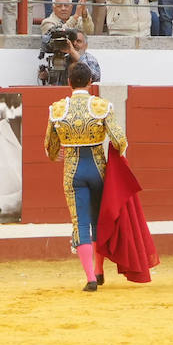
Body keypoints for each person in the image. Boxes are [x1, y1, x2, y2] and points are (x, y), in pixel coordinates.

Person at [45, 61, 126, 291]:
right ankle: (100, 271)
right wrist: (120, 160)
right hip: (98, 169)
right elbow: (119, 140)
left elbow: (50, 148)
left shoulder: (58, 109)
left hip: (73, 170)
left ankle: (90, 278)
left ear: (69, 82)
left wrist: (56, 154)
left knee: (80, 223)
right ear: (90, 82)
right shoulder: (101, 106)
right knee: (98, 221)